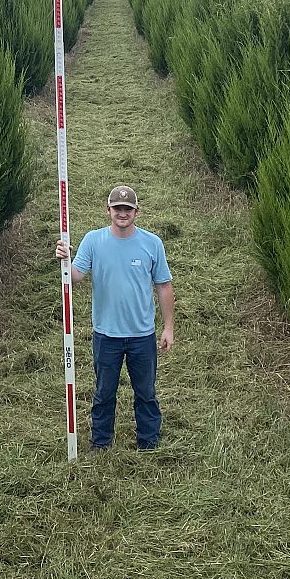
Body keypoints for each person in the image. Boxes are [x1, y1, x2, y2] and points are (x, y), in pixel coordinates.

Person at [55, 185, 175, 451]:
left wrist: (168, 328)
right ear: (108, 210)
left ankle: (148, 441)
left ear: (136, 212)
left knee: (146, 392)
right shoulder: (93, 241)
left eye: (128, 209)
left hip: (142, 336)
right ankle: (101, 443)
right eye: (118, 208)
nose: (123, 213)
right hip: (106, 335)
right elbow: (76, 276)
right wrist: (65, 260)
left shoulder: (152, 243)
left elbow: (164, 285)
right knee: (104, 393)